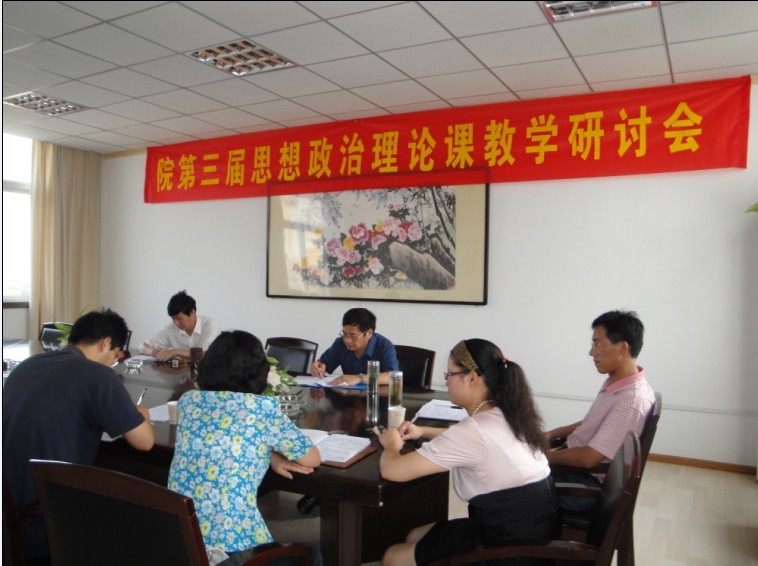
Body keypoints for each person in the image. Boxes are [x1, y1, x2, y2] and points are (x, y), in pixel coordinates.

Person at [378, 339, 559, 566]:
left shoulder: (474, 430)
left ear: (472, 378)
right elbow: (473, 443)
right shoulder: (507, 412)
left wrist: (391, 444)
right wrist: (423, 430)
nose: (446, 382)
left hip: (511, 547)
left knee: (392, 557)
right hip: (536, 530)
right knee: (415, 535)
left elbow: (392, 470)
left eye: (449, 375)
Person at [2, 309, 155, 562]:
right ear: (105, 342)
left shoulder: (27, 366)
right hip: (44, 521)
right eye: (116, 354)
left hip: (9, 515)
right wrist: (141, 417)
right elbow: (145, 442)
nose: (113, 361)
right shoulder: (98, 375)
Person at [167, 330, 321, 558]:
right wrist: (273, 453)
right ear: (259, 372)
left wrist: (269, 455)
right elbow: (312, 459)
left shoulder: (189, 401)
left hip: (179, 537)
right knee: (313, 555)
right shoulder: (261, 409)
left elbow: (219, 441)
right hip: (233, 548)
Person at [544, 309, 655, 511]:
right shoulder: (619, 383)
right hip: (576, 468)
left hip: (587, 485)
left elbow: (588, 458)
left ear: (623, 348)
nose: (592, 352)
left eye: (597, 344)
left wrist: (547, 457)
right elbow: (593, 423)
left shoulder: (630, 400)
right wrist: (552, 434)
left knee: (509, 488)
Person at [310, 307, 398, 385]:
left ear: (369, 333)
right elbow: (324, 365)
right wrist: (318, 369)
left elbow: (393, 376)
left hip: (376, 395)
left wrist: (359, 378)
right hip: (347, 396)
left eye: (352, 335)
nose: (347, 340)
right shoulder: (340, 343)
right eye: (344, 334)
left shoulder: (384, 346)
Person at [138, 290, 221, 361]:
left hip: (205, 372)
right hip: (180, 373)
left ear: (192, 312)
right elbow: (142, 347)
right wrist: (152, 352)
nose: (176, 322)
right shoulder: (171, 328)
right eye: (173, 318)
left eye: (179, 318)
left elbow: (205, 354)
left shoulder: (210, 325)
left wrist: (174, 351)